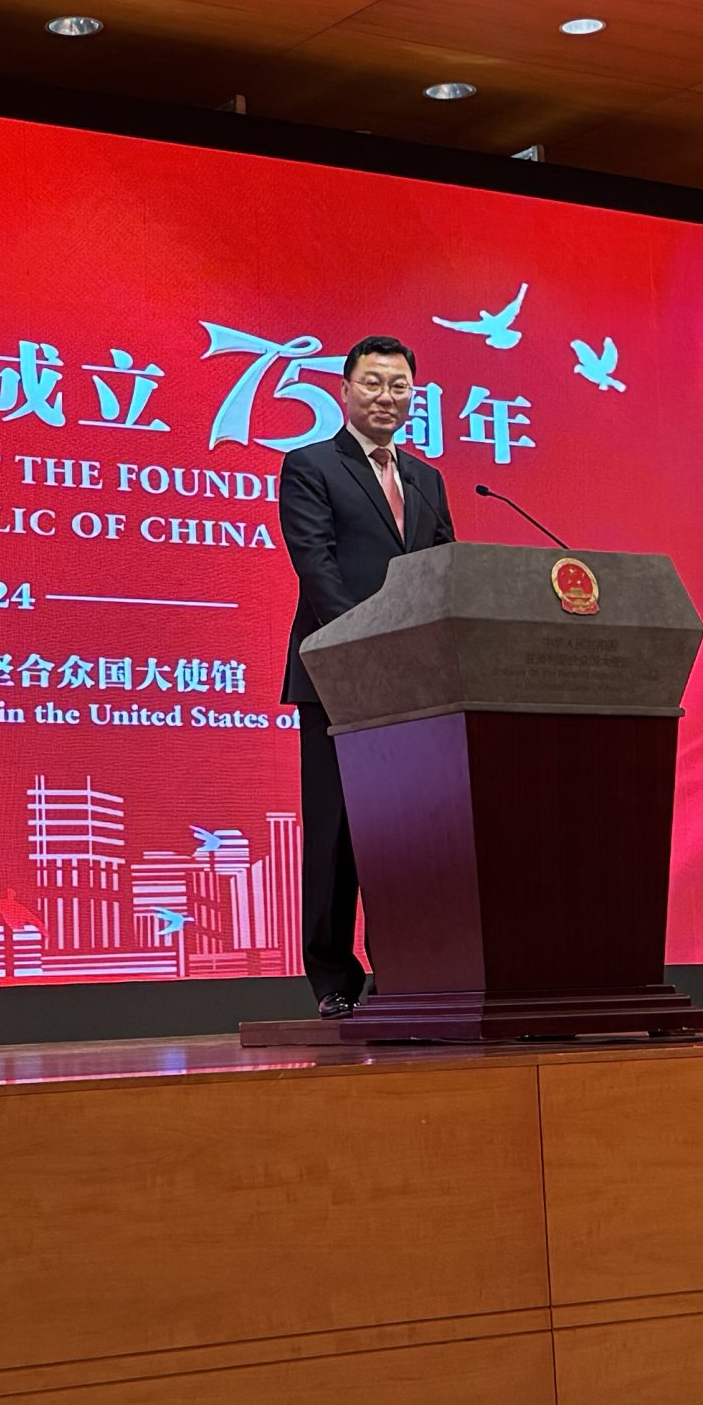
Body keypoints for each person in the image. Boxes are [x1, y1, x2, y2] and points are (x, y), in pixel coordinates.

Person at [273, 334, 454, 1016]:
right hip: (338, 676)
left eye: (399, 385)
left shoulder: (428, 479)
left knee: (408, 836)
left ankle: (406, 969)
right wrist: (371, 646)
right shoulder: (311, 465)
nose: (387, 396)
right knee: (337, 833)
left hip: (417, 687)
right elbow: (316, 567)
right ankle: (333, 980)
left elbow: (444, 569)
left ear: (414, 396)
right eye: (373, 383)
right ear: (345, 391)